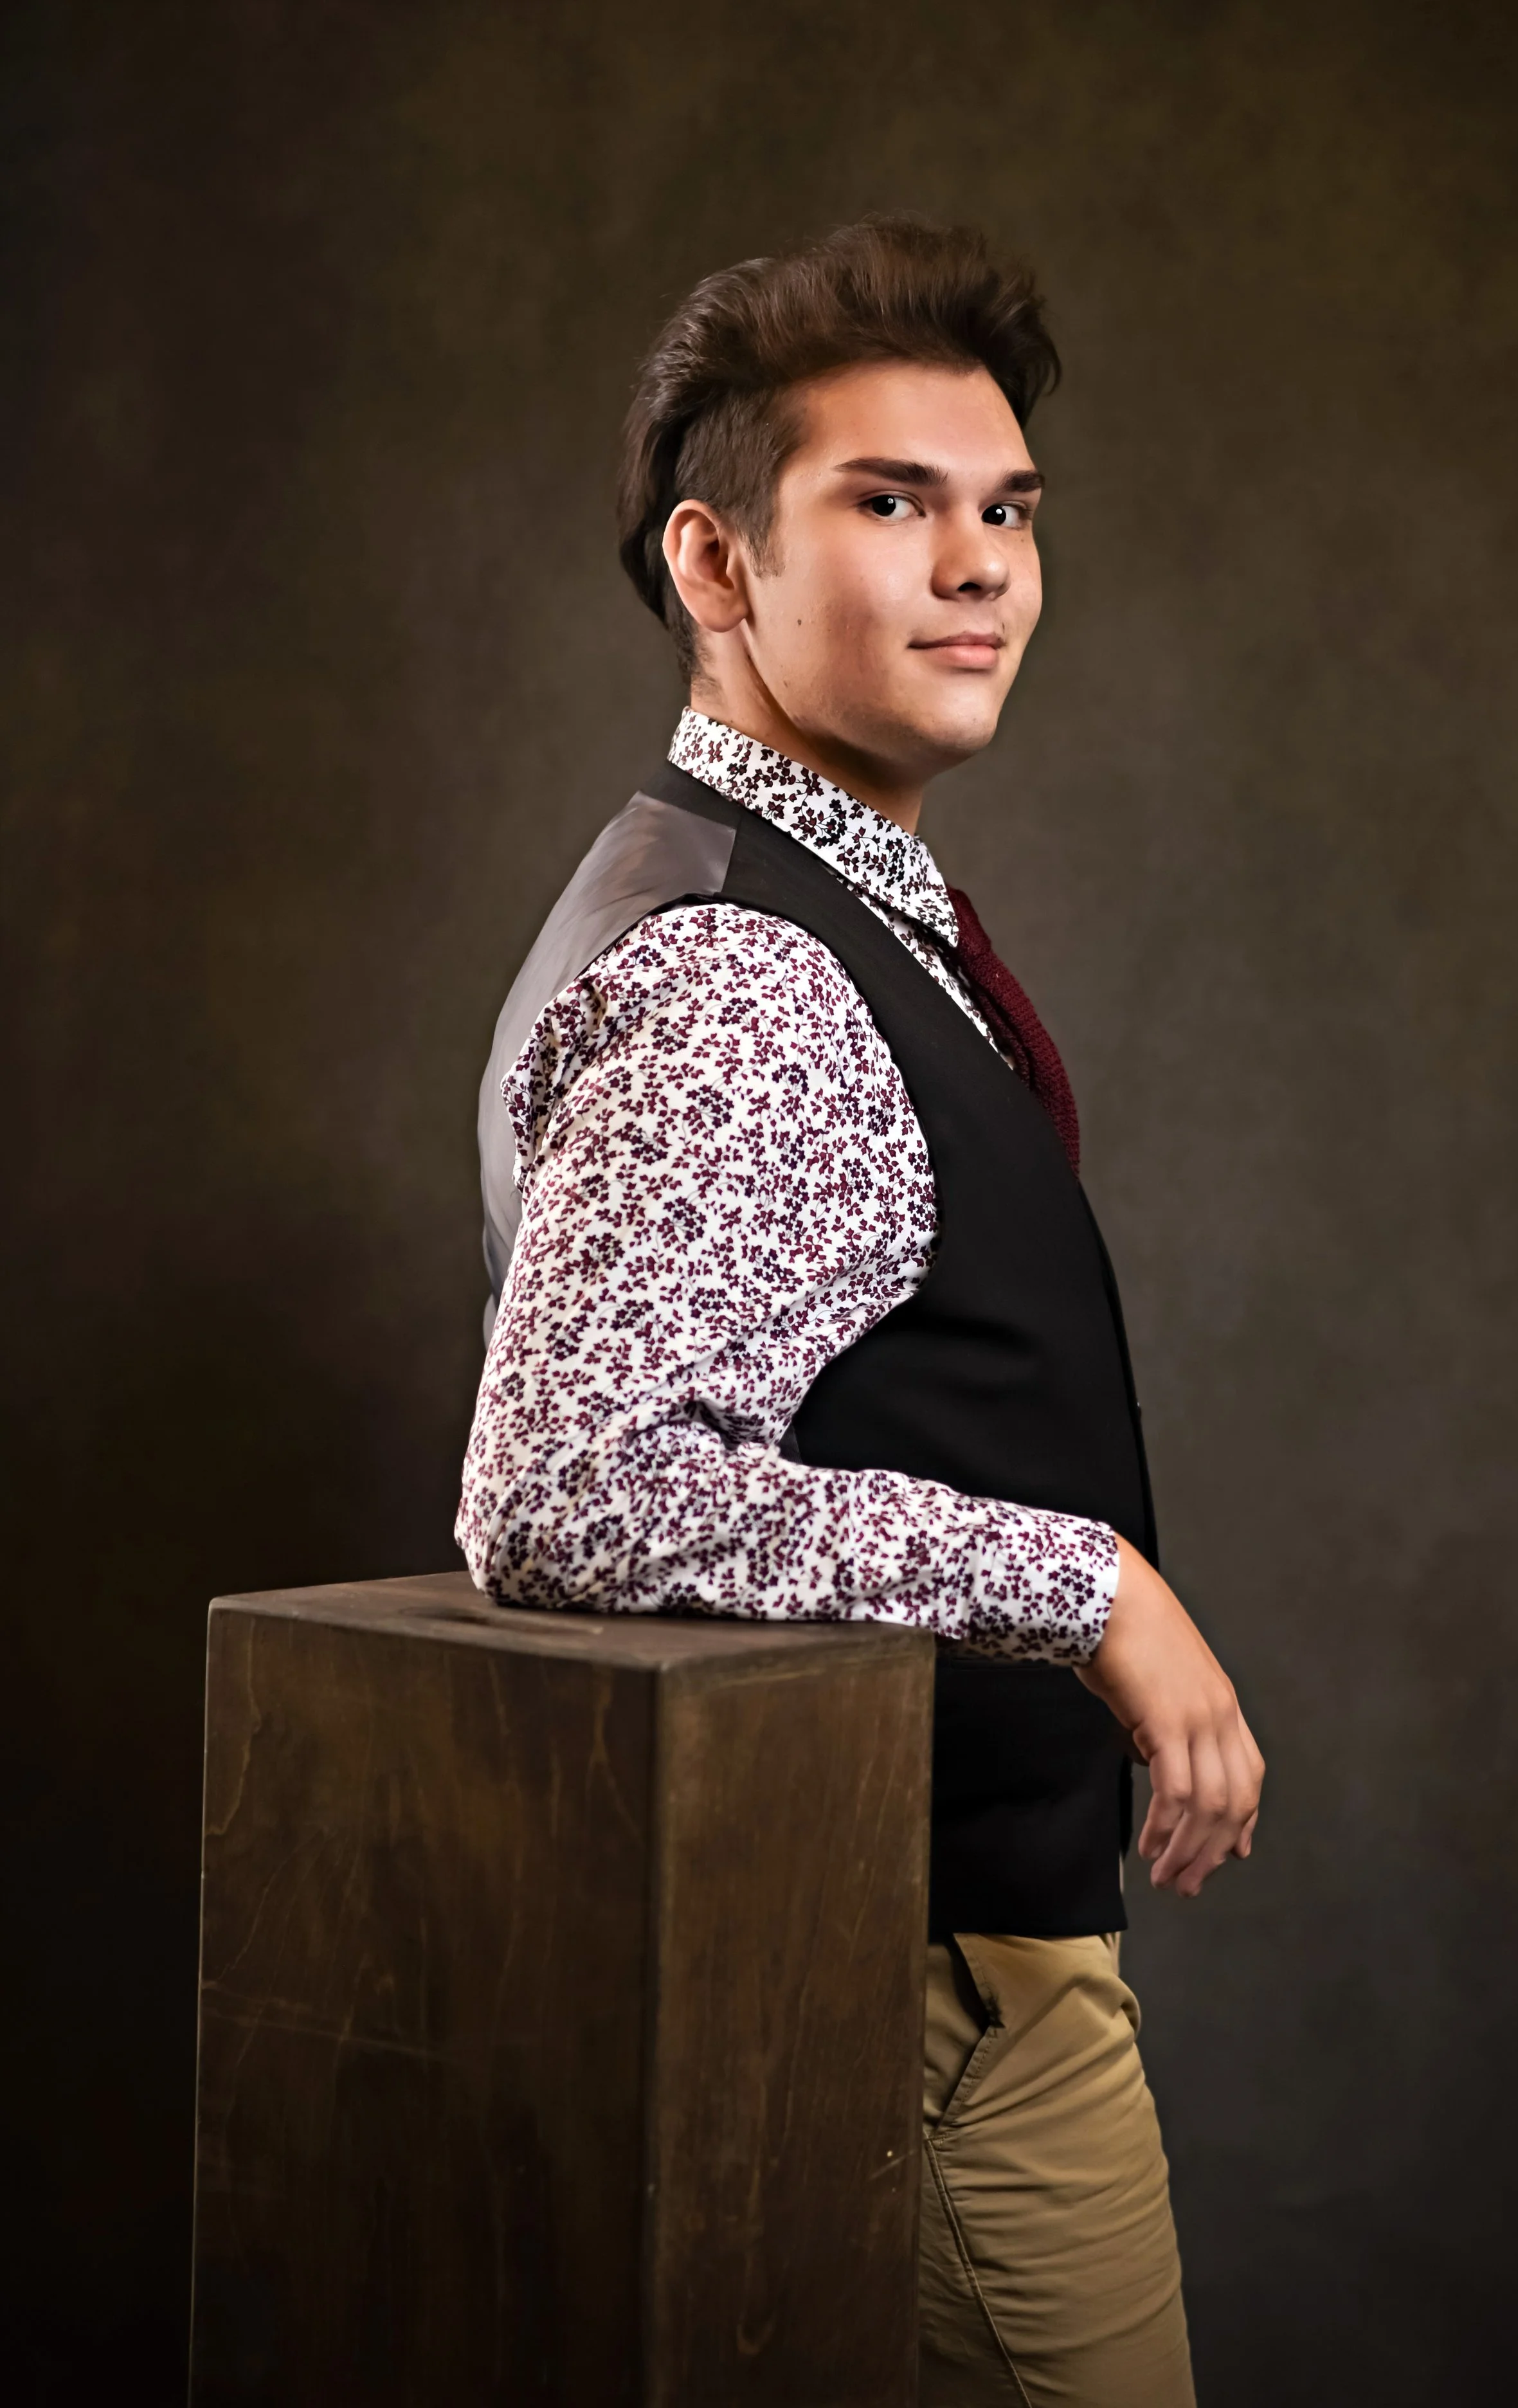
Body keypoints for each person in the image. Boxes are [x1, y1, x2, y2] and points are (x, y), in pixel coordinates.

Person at [457, 215, 1263, 2408]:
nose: (978, 565)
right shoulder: (739, 968)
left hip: (932, 1968)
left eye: (1003, 509)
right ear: (714, 568)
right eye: (889, 505)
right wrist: (1078, 1580)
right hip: (920, 2005)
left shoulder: (820, 904)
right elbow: (570, 1494)